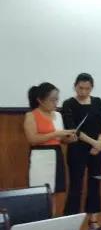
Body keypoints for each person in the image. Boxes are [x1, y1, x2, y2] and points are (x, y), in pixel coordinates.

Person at [61, 73, 101, 229]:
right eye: (80, 88)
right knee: (76, 185)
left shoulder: (97, 102)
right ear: (75, 86)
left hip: (98, 149)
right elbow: (73, 129)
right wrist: (94, 143)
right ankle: (71, 222)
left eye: (87, 89)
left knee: (95, 183)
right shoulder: (68, 104)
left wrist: (100, 143)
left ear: (92, 88)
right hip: (77, 149)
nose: (83, 92)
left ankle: (93, 220)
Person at [24, 82, 77, 214]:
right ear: (40, 100)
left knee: (54, 192)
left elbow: (61, 139)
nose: (55, 103)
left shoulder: (58, 115)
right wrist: (56, 133)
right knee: (40, 192)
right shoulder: (31, 115)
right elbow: (32, 139)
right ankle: (39, 220)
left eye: (57, 99)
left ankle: (51, 219)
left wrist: (69, 139)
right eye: (52, 100)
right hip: (40, 155)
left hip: (56, 153)